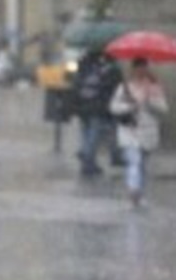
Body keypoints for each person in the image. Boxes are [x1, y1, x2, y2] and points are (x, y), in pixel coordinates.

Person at [109, 57, 169, 207]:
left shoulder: (154, 87)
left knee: (142, 164)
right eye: (138, 68)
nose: (141, 71)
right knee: (134, 161)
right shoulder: (124, 87)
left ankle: (140, 192)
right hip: (129, 130)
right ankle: (133, 190)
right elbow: (114, 107)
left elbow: (163, 109)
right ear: (133, 70)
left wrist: (150, 101)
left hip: (148, 131)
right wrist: (130, 107)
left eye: (144, 68)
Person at [72, 49, 124, 176]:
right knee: (94, 134)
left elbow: (75, 84)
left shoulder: (84, 67)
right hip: (98, 106)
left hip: (82, 105)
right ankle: (88, 161)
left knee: (86, 132)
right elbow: (115, 88)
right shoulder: (110, 70)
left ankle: (87, 156)